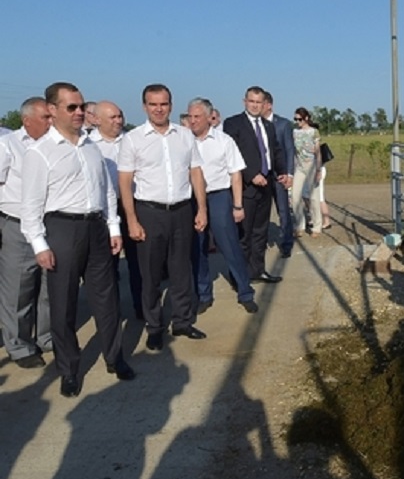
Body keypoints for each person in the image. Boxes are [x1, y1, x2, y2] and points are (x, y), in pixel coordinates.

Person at [21, 82, 134, 397]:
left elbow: (106, 191)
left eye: (82, 106)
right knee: (63, 304)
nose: (79, 112)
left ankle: (115, 358)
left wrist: (113, 228)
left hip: (96, 227)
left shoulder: (90, 146)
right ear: (53, 110)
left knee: (107, 298)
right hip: (62, 229)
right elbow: (30, 206)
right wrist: (40, 246)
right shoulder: (39, 153)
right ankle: (69, 370)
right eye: (71, 107)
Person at [118, 83, 209, 352]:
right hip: (149, 212)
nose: (159, 109)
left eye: (164, 104)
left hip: (181, 210)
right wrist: (131, 219)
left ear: (171, 105)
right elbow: (125, 182)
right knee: (151, 274)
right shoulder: (133, 139)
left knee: (182, 270)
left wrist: (201, 208)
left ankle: (182, 321)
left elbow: (196, 173)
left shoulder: (184, 136)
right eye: (153, 104)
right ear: (145, 106)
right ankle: (154, 327)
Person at [186, 97, 258, 315]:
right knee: (197, 249)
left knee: (229, 245)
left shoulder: (224, 141)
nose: (193, 121)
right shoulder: (183, 140)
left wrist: (237, 205)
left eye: (197, 116)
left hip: (218, 197)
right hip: (191, 199)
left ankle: (245, 291)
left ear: (210, 118)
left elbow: (235, 173)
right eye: (190, 116)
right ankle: (204, 294)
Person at [0, 97, 53, 369]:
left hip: (49, 226)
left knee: (47, 288)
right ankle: (19, 344)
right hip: (17, 226)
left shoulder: (54, 145)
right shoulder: (8, 145)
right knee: (19, 289)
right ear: (26, 120)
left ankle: (46, 336)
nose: (50, 122)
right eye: (45, 117)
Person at [222, 86, 286, 283]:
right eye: (252, 101)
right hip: (245, 187)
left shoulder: (268, 126)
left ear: (264, 104)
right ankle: (240, 276)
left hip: (266, 185)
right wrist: (251, 174)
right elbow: (232, 154)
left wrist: (283, 171)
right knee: (244, 235)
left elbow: (275, 150)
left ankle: (258, 271)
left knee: (260, 233)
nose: (255, 105)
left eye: (259, 102)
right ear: (245, 102)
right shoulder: (233, 124)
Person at [90, 100, 143, 320]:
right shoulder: (88, 145)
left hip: (131, 205)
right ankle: (111, 313)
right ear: (96, 119)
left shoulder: (132, 141)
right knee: (106, 266)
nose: (118, 121)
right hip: (103, 212)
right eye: (112, 117)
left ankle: (142, 306)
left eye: (120, 116)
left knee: (138, 261)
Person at [261, 91, 295, 257]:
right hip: (263, 176)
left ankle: (287, 242)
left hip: (280, 175)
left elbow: (289, 149)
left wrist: (289, 173)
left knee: (283, 210)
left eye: (261, 103)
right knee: (262, 211)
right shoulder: (256, 125)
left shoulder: (282, 124)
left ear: (268, 105)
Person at [290, 108, 323, 238]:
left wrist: (319, 169)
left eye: (300, 119)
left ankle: (317, 226)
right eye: (295, 119)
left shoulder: (313, 132)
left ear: (306, 118)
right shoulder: (295, 132)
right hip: (299, 167)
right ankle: (299, 225)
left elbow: (318, 152)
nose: (297, 121)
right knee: (295, 196)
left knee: (314, 197)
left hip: (312, 166)